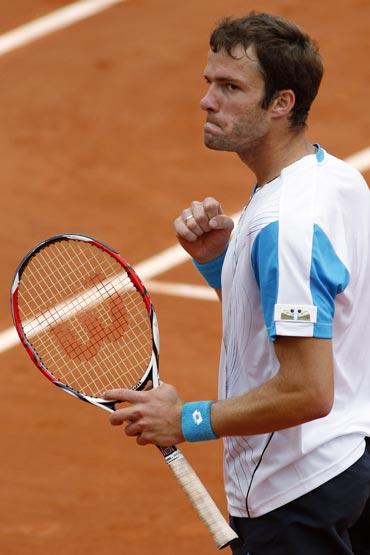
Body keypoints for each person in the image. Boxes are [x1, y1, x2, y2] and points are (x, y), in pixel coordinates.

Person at [104, 12, 370, 554]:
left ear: (282, 103)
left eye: (230, 88)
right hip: (348, 463)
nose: (207, 101)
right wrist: (221, 262)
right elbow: (321, 312)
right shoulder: (334, 178)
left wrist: (184, 420)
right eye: (209, 83)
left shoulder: (285, 225)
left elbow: (307, 390)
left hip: (295, 491)